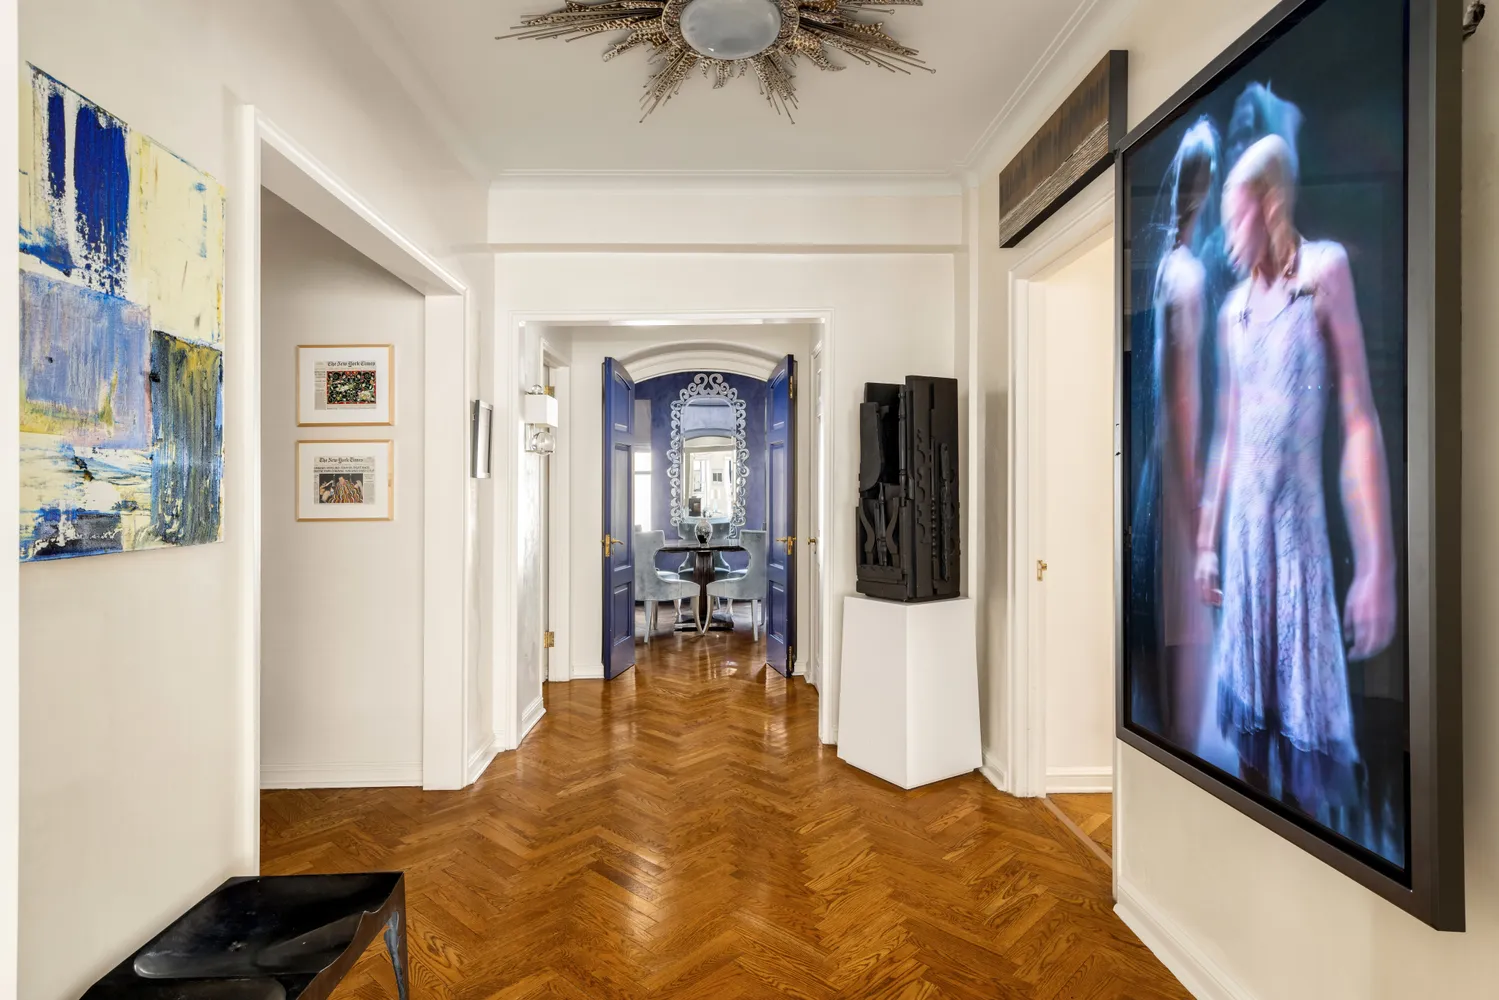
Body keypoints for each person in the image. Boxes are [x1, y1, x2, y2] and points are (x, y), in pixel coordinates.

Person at [1195, 134, 1397, 812]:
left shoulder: (1324, 271)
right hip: (1245, 547)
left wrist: (1376, 566)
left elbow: (1358, 415)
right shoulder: (1231, 313)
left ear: (1270, 203)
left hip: (1297, 542)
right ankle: (1260, 848)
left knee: (1301, 740)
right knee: (1251, 728)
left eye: (1235, 218)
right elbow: (1224, 433)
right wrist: (1203, 542)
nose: (1225, 237)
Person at [1133, 118, 1221, 748]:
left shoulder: (1168, 267)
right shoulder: (1187, 278)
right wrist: (1200, 511)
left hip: (1159, 468)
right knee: (1189, 620)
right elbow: (1185, 402)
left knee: (1171, 622)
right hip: (1177, 470)